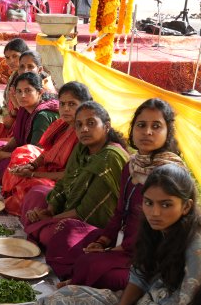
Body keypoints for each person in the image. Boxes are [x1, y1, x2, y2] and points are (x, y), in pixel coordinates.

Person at [40, 164, 201, 305]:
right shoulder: (152, 228)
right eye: (148, 202)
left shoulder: (198, 248)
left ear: (186, 206)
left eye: (166, 205)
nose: (155, 212)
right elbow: (140, 275)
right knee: (62, 297)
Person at [50, 98, 185, 285]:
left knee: (91, 264)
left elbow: (163, 232)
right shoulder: (132, 166)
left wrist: (118, 249)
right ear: (133, 129)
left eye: (156, 126)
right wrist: (103, 241)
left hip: (148, 255)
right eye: (141, 125)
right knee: (68, 235)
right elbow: (120, 212)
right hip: (121, 244)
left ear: (168, 132)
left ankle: (83, 276)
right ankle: (83, 275)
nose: (147, 132)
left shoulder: (170, 173)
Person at [22, 100, 128, 249]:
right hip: (69, 210)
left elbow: (87, 210)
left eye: (91, 123)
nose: (84, 129)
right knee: (36, 194)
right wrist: (49, 210)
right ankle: (42, 229)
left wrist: (51, 218)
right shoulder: (81, 149)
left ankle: (44, 232)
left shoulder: (110, 157)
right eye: (79, 125)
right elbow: (64, 182)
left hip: (97, 225)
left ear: (107, 126)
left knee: (62, 233)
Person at [0, 80, 90, 215]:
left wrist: (32, 174)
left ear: (84, 106)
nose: (65, 109)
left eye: (72, 104)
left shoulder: (85, 135)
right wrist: (31, 165)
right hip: (48, 168)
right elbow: (47, 152)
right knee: (19, 160)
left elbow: (69, 175)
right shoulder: (61, 124)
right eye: (63, 104)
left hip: (63, 181)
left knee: (33, 187)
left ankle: (23, 204)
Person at [0, 71, 58, 181]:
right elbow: (18, 138)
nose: (22, 95)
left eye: (28, 91)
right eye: (19, 91)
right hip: (27, 152)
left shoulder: (43, 116)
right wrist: (2, 150)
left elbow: (36, 152)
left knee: (7, 165)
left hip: (43, 160)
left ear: (40, 92)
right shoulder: (24, 109)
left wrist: (2, 155)